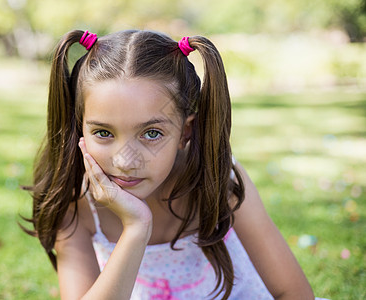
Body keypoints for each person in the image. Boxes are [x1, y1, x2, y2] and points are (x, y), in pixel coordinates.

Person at [22, 29, 326, 300]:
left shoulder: (218, 179)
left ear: (186, 132)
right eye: (103, 133)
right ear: (80, 129)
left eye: (151, 133)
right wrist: (136, 227)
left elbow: (294, 293)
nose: (125, 161)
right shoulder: (74, 201)